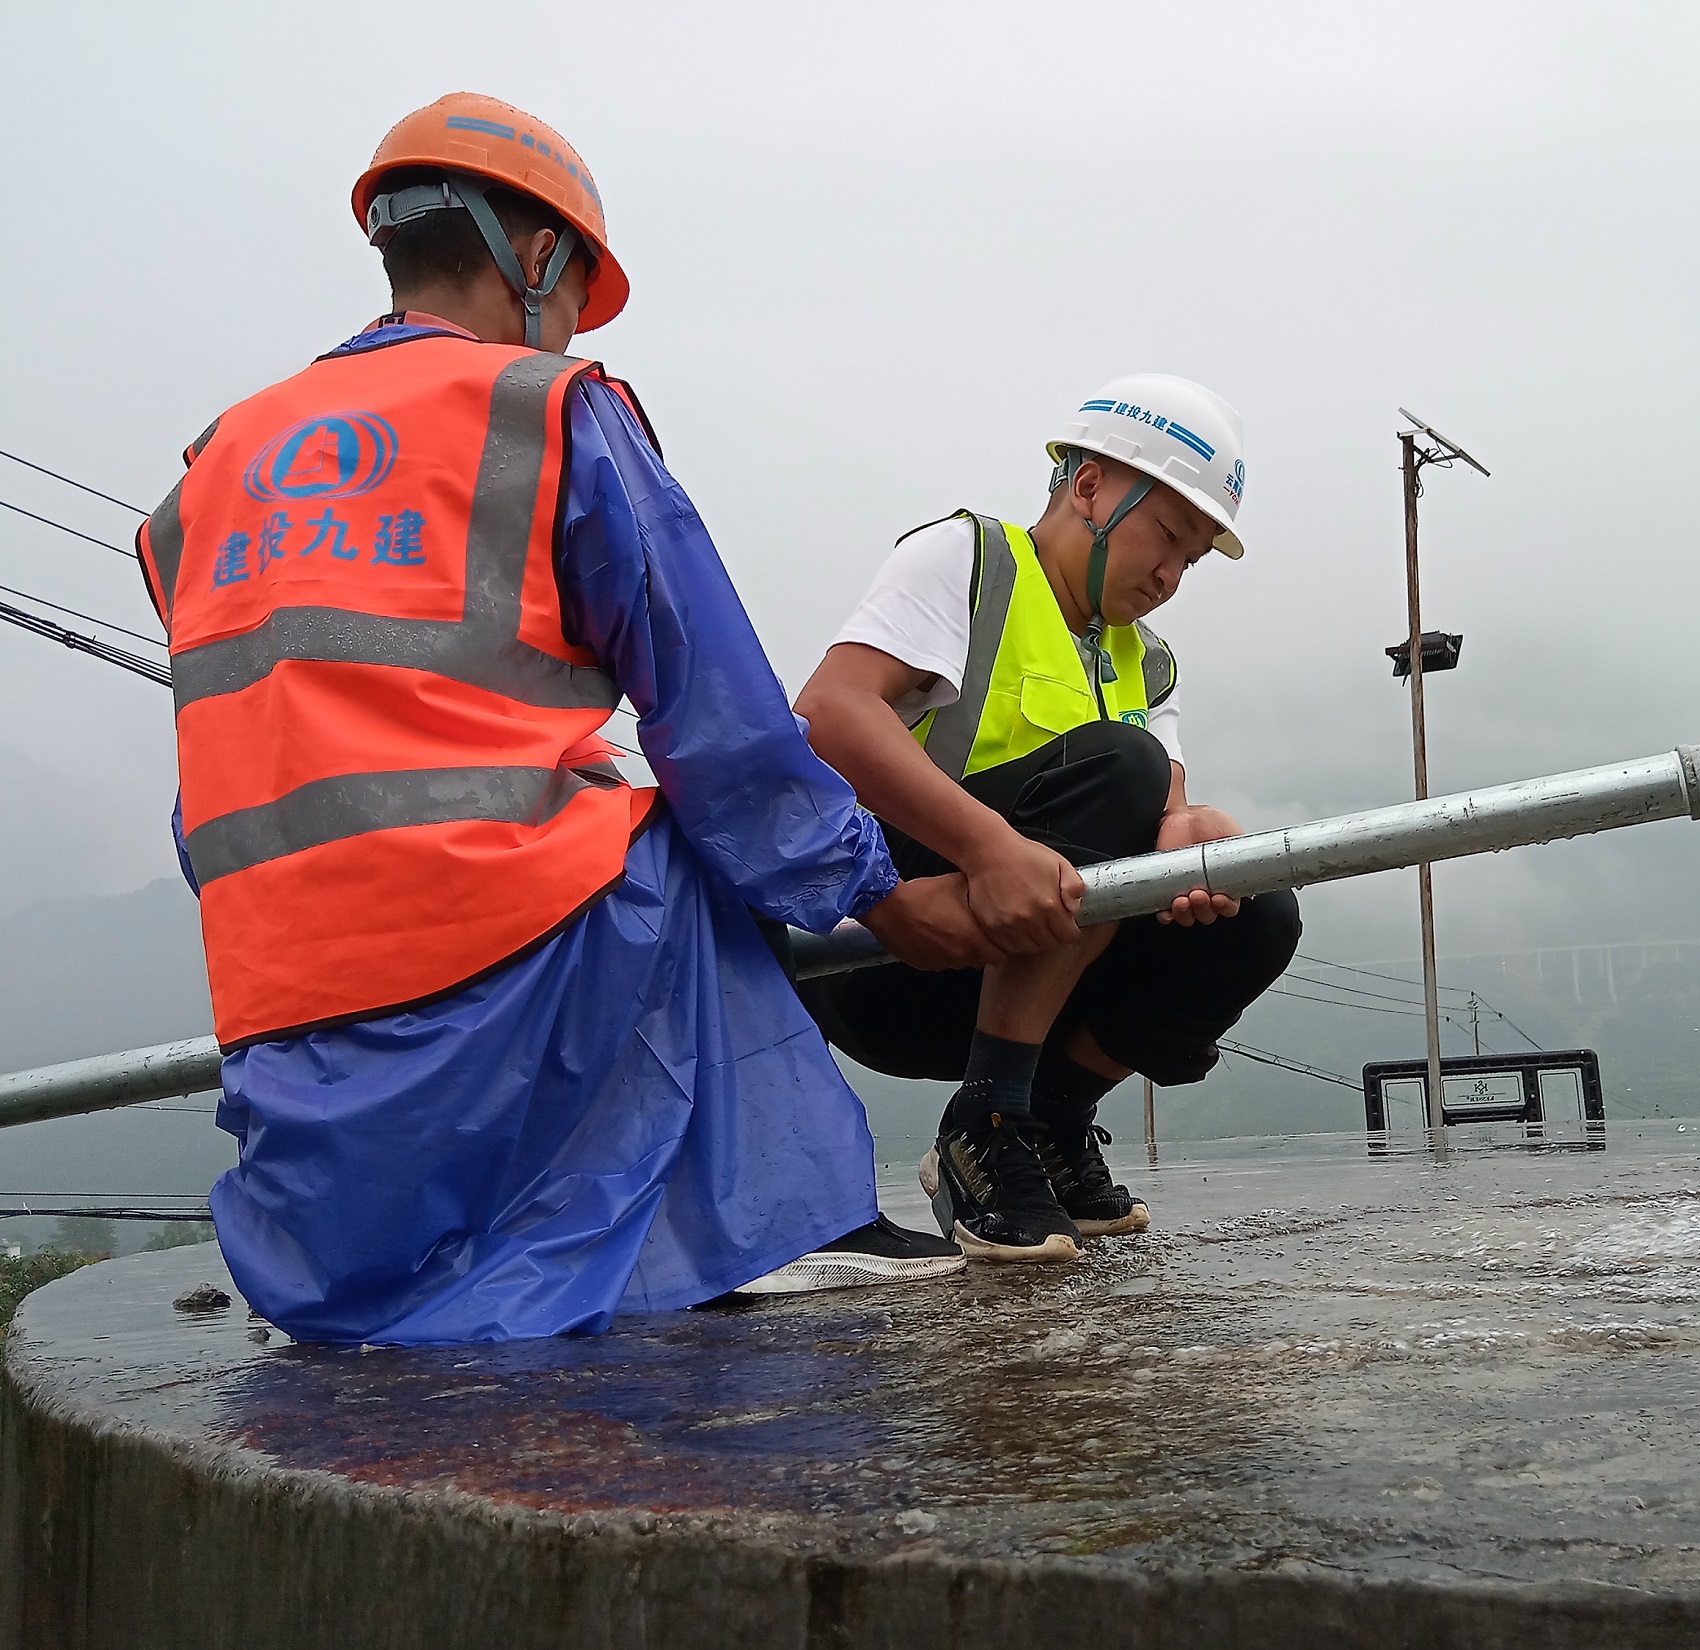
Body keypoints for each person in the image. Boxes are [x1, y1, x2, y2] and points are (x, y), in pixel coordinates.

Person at [133, 93, 987, 1344]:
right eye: (578, 287)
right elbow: (725, 728)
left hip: (284, 1031)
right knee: (670, 832)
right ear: (538, 255)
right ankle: (789, 1221)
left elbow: (245, 725)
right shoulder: (546, 409)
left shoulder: (209, 470)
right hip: (499, 990)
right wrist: (877, 892)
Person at [794, 376, 1303, 1263]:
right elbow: (830, 714)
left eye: (1192, 560)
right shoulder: (971, 560)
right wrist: (989, 849)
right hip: (888, 944)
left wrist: (1197, 838)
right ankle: (983, 1119)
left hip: (1033, 959)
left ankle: (1044, 1121)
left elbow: (1163, 809)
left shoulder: (1148, 664)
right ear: (1091, 485)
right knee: (1122, 764)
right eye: (1168, 538)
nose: (1171, 576)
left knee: (1257, 908)